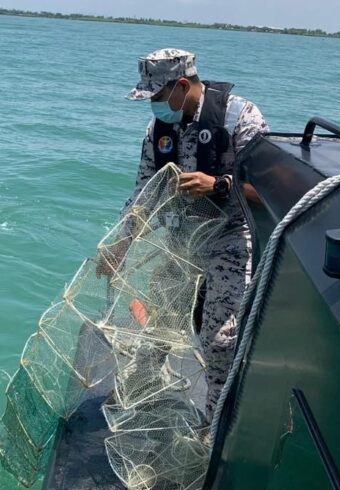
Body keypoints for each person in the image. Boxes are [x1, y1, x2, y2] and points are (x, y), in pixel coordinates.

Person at [97, 48, 269, 421]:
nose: (155, 107)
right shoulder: (157, 130)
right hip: (181, 242)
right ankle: (140, 388)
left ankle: (214, 421)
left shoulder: (241, 117)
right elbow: (144, 194)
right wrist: (119, 246)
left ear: (181, 85)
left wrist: (219, 184)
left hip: (229, 240)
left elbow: (269, 190)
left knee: (220, 341)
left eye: (158, 98)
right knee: (161, 322)